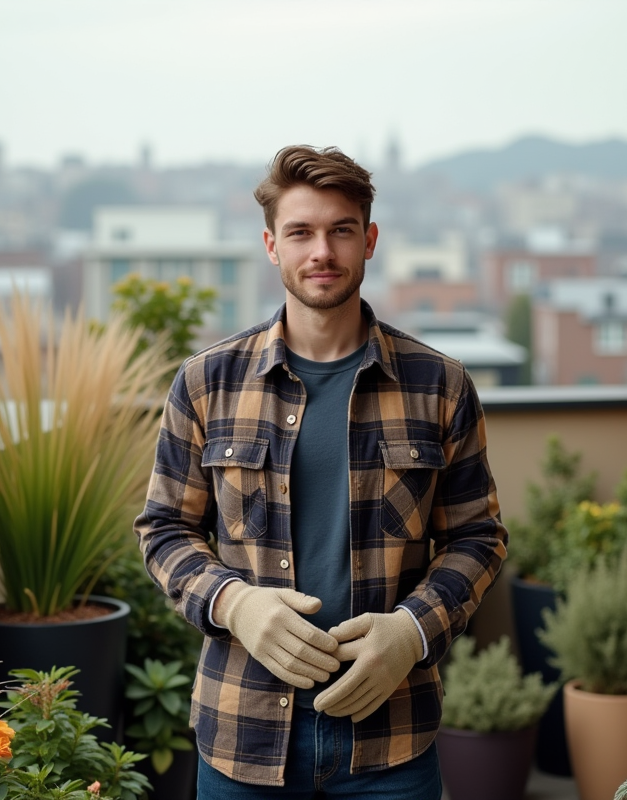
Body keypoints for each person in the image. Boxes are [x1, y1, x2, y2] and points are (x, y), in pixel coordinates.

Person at [134, 144, 508, 799]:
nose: (322, 253)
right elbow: (164, 529)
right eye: (301, 232)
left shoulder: (440, 385)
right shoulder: (205, 383)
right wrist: (236, 603)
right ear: (271, 245)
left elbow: (478, 537)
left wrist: (413, 630)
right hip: (242, 730)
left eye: (340, 231)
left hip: (390, 737)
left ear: (369, 240)